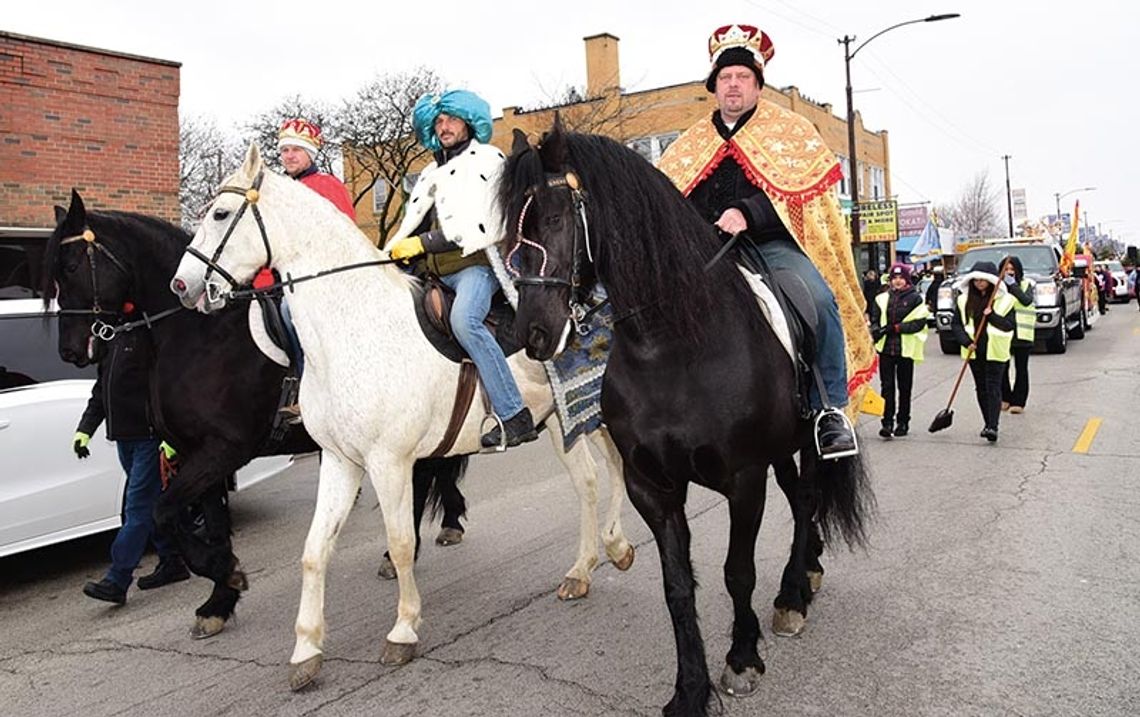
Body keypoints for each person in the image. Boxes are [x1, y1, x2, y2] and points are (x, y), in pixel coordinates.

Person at [656, 23, 877, 460]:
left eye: (742, 77)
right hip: (705, 250)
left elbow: (803, 197)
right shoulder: (689, 145)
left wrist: (747, 213)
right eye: (725, 78)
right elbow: (670, 201)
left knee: (818, 300)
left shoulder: (791, 132)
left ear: (758, 85)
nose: (733, 85)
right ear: (714, 87)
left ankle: (828, 410)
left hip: (772, 246)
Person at [385, 90, 538, 449]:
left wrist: (425, 244)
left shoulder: (488, 159)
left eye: (451, 119)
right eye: (438, 122)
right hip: (431, 273)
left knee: (464, 320)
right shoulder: (427, 173)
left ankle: (515, 414)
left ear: (468, 123)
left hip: (475, 267)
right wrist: (393, 252)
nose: (444, 127)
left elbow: (487, 222)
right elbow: (412, 226)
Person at [74, 328, 188, 605]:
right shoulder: (111, 340)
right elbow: (102, 391)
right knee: (151, 502)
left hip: (149, 440)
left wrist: (169, 438)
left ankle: (117, 578)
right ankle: (172, 560)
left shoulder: (148, 338)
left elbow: (169, 388)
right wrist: (85, 430)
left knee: (135, 508)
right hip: (124, 439)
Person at [276, 119, 356, 419]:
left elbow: (345, 235)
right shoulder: (279, 190)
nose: (289, 156)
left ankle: (307, 383)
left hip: (322, 277)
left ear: (311, 154)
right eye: (285, 150)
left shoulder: (327, 186)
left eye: (296, 149)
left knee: (288, 310)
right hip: (283, 276)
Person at [949, 260, 1016, 443]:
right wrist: (966, 342)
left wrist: (991, 315)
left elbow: (1009, 326)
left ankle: (993, 426)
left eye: (983, 280)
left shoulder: (1005, 300)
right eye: (976, 280)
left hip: (995, 351)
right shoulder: (964, 300)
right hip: (974, 351)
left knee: (993, 387)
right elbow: (957, 325)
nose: (979, 283)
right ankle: (987, 422)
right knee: (981, 388)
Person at [869, 263, 929, 438]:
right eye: (894, 278)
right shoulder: (881, 298)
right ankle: (887, 422)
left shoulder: (915, 298)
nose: (897, 281)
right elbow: (874, 319)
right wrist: (875, 330)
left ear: (907, 279)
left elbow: (919, 323)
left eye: (901, 278)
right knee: (887, 387)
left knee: (905, 387)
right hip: (886, 349)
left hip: (905, 349)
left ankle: (903, 421)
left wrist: (895, 328)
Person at [1000, 256, 1035, 414]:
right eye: (1006, 269)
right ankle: (1005, 398)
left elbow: (1026, 300)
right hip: (1002, 332)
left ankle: (1019, 401)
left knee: (1021, 368)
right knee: (1002, 367)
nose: (1009, 272)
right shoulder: (997, 287)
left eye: (1012, 269)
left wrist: (1013, 285)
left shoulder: (1026, 284)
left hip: (1022, 333)